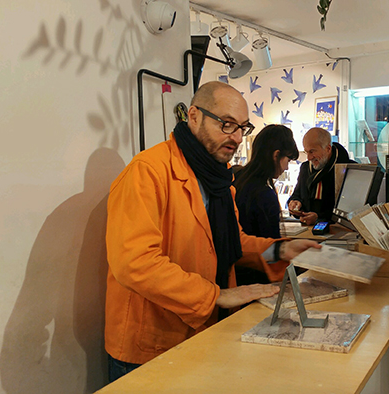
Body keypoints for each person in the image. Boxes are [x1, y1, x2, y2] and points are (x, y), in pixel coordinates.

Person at [104, 81, 318, 382]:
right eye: (227, 124)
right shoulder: (148, 171)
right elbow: (134, 262)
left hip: (204, 332)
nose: (236, 138)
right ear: (194, 116)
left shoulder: (218, 179)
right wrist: (216, 295)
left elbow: (229, 242)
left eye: (242, 128)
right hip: (151, 345)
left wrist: (280, 249)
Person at [233, 124, 299, 285]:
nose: (286, 167)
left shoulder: (236, 177)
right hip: (255, 279)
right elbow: (272, 252)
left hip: (235, 274)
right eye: (287, 160)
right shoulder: (264, 195)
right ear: (276, 155)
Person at [287, 127, 354, 225]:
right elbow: (297, 194)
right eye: (306, 152)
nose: (309, 158)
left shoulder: (349, 169)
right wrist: (295, 202)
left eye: (312, 151)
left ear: (328, 149)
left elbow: (350, 210)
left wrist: (319, 218)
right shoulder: (305, 168)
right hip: (307, 230)